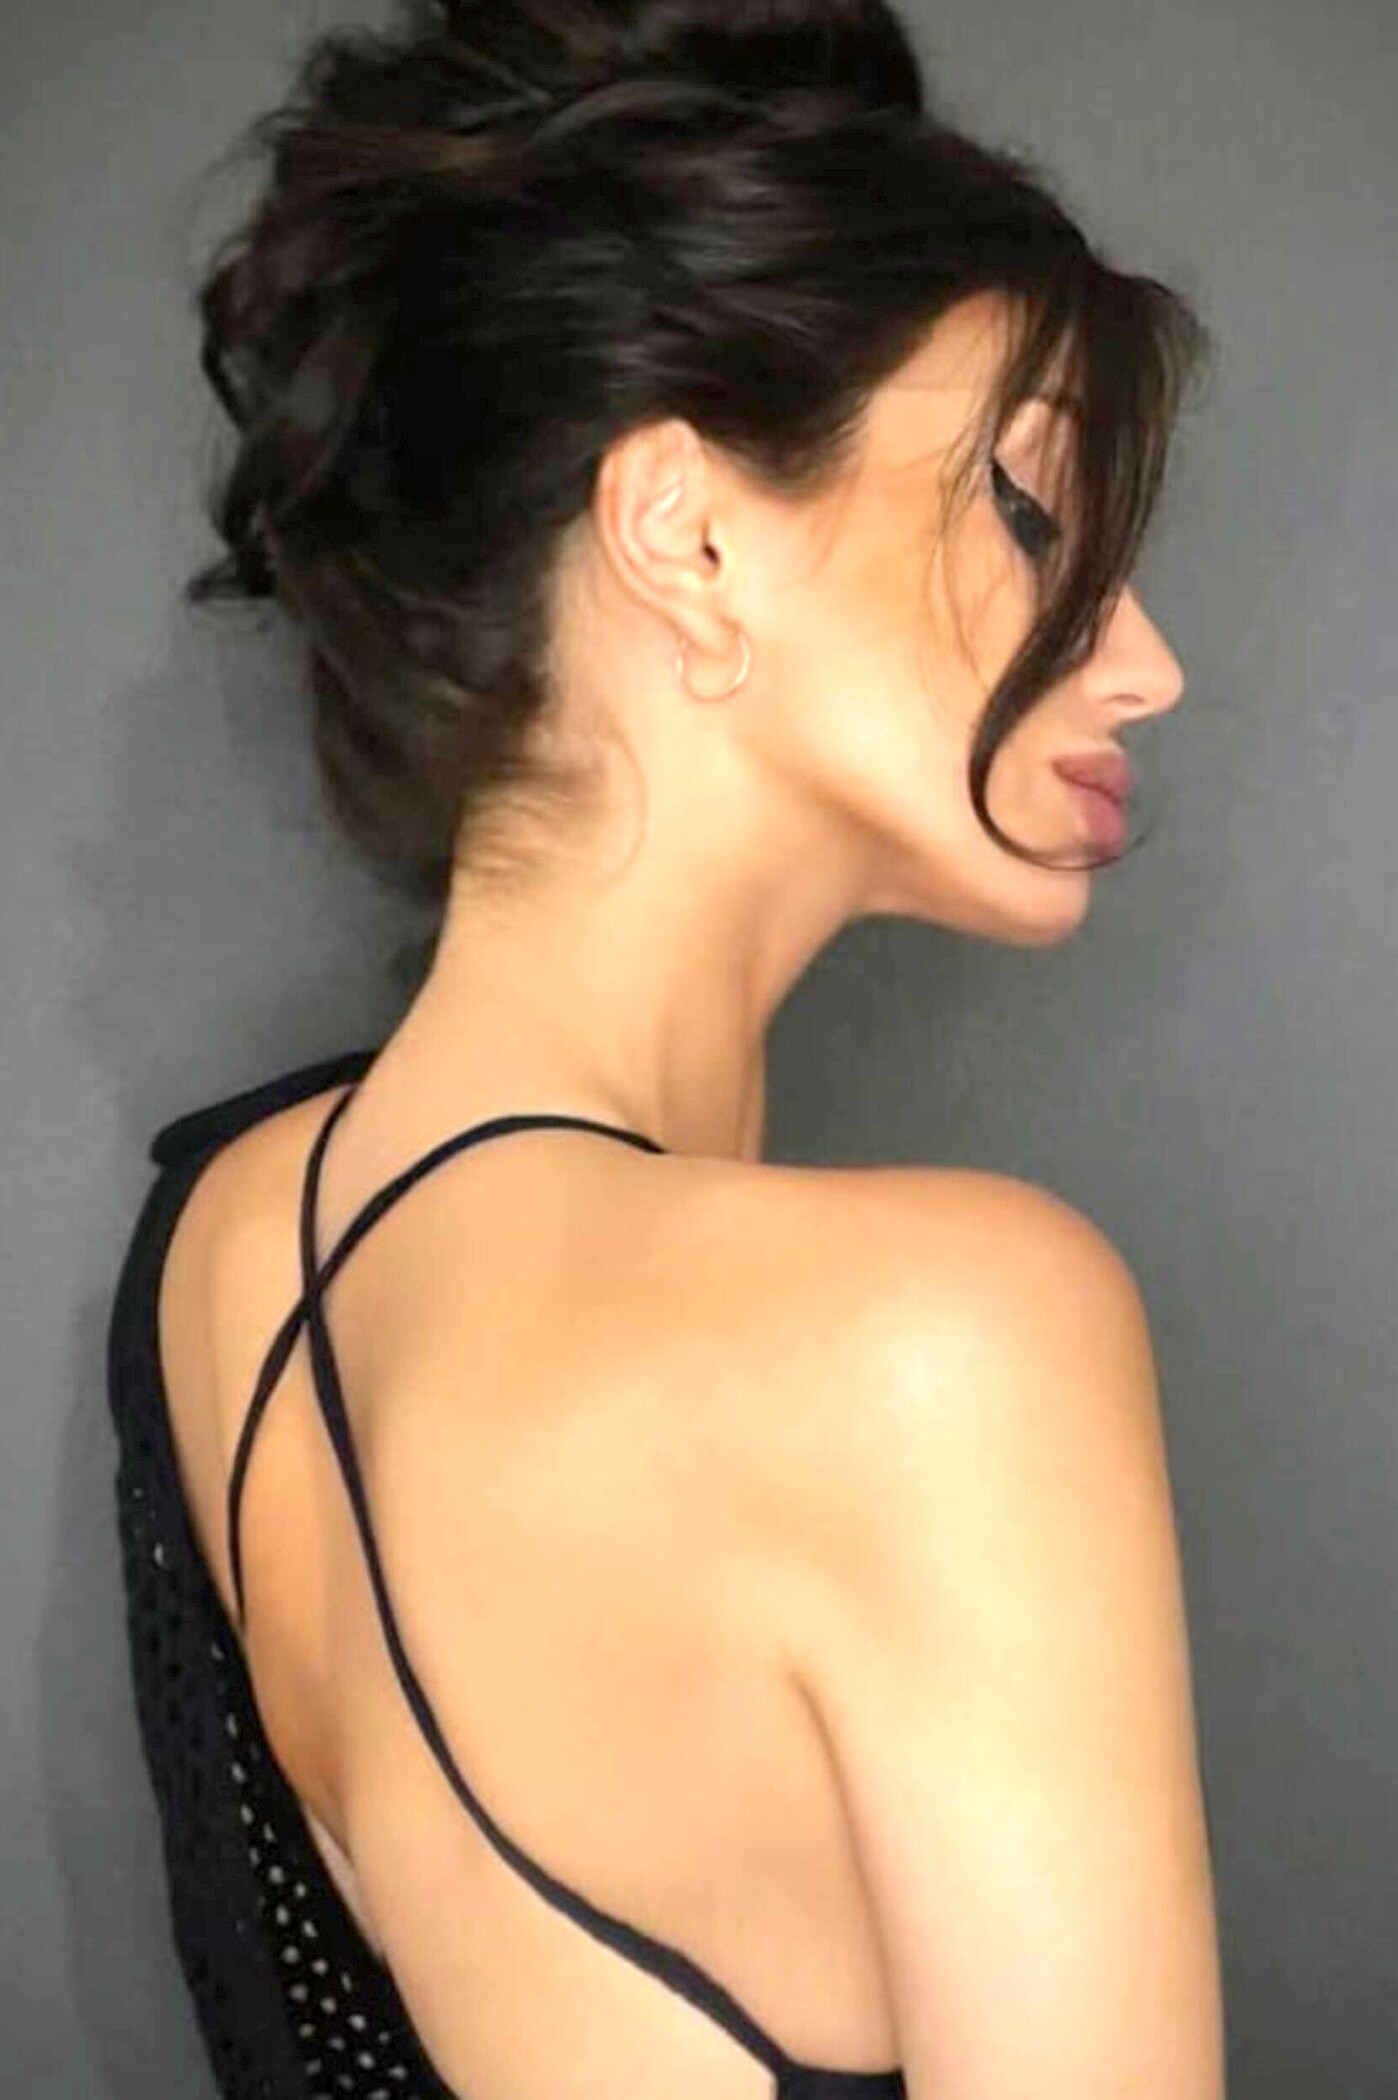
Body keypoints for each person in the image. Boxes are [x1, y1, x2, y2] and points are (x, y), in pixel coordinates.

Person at [107, 4, 1225, 2097]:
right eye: (1029, 508)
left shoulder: (231, 1243)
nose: (1141, 661)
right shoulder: (945, 1346)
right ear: (687, 538)